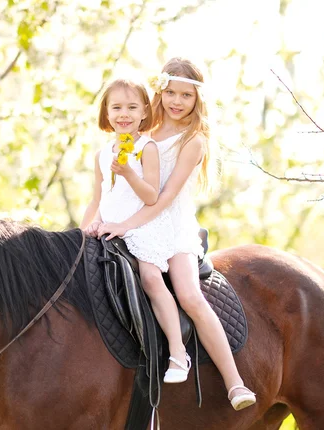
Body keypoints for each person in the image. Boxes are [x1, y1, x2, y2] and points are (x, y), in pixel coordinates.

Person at [98, 59, 257, 410]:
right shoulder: (144, 131)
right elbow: (117, 186)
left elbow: (165, 197)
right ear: (159, 91)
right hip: (138, 220)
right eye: (170, 92)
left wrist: (125, 226)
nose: (176, 100)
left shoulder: (193, 140)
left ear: (197, 99)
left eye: (186, 95)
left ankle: (235, 383)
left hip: (172, 227)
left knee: (188, 294)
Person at [80, 78, 191, 383]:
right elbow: (98, 198)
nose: (123, 114)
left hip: (143, 225)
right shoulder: (102, 154)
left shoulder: (147, 147)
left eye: (131, 107)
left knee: (152, 278)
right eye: (116, 107)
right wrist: (81, 231)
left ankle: (178, 352)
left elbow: (151, 196)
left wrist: (128, 172)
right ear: (106, 111)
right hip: (110, 227)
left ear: (144, 111)